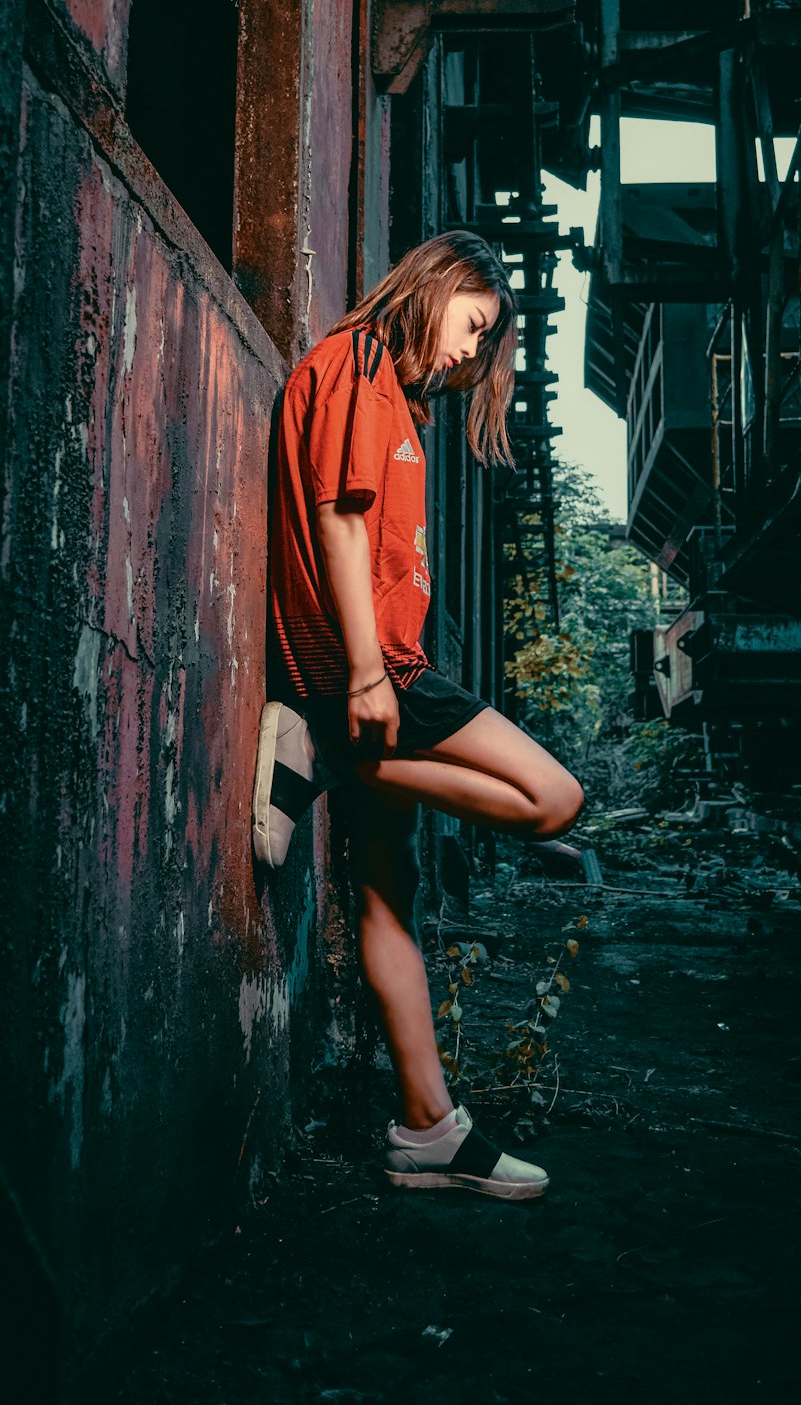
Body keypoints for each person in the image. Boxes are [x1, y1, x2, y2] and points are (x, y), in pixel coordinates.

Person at [251, 230, 584, 1199]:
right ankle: (321, 755)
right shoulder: (355, 362)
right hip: (378, 672)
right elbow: (341, 520)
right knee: (553, 798)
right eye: (474, 326)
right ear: (443, 283)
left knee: (385, 897)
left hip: (374, 671)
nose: (471, 354)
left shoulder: (390, 393)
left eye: (486, 346)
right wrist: (362, 677)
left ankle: (427, 1127)